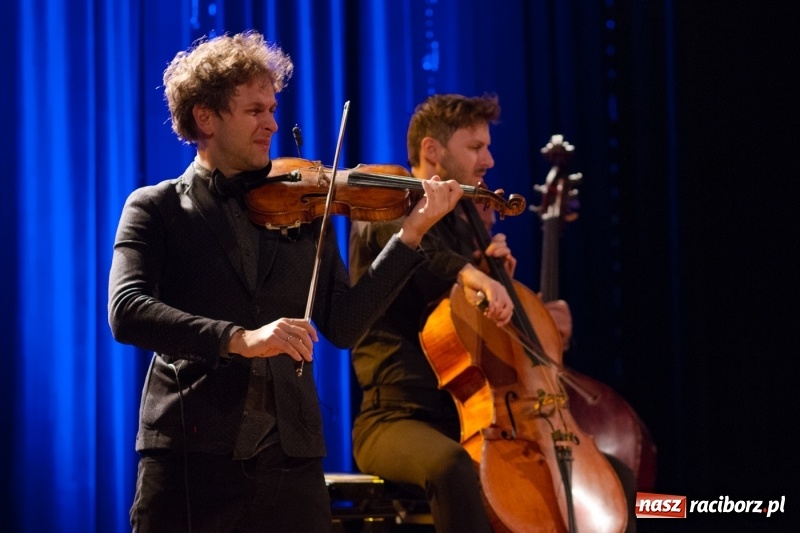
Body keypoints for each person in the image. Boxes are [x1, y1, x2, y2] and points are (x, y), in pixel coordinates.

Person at [108, 31, 464, 533]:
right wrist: (240, 339)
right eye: (255, 111)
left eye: (273, 109)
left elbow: (342, 324)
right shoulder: (156, 207)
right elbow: (127, 310)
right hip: (192, 455)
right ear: (205, 118)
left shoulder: (304, 207)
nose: (272, 123)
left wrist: (410, 235)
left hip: (290, 461)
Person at [349, 93, 637, 532]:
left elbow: (485, 351)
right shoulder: (389, 204)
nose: (489, 159)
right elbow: (423, 255)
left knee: (616, 475)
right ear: (432, 150)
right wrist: (472, 273)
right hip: (398, 418)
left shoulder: (469, 225)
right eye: (475, 147)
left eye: (487, 145)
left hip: (482, 421)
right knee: (451, 467)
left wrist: (536, 322)